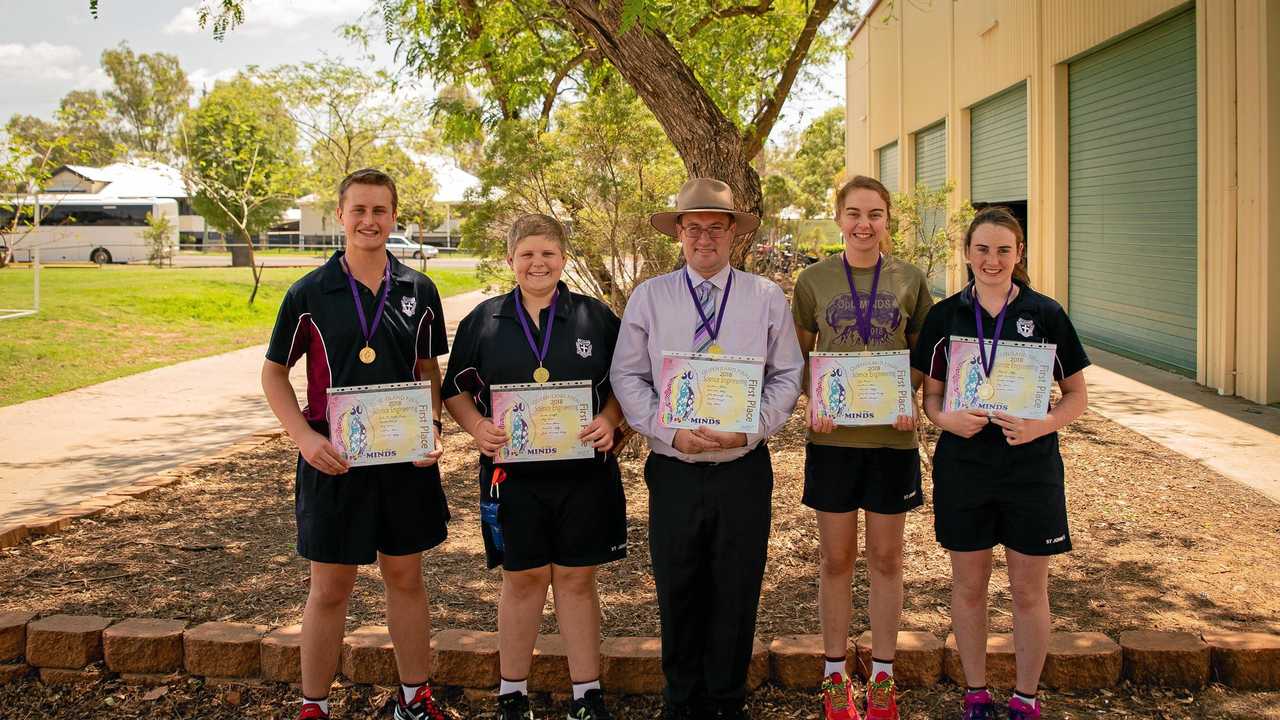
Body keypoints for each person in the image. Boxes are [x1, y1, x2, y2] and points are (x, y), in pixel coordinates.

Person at [610, 178, 804, 720]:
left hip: (742, 467)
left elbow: (788, 373)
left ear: (732, 236)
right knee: (678, 583)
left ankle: (725, 699)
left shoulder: (765, 297)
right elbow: (625, 376)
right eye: (693, 227)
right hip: (672, 469)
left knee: (737, 584)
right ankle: (681, 699)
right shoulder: (650, 296)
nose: (704, 237)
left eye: (715, 228)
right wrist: (667, 431)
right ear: (678, 232)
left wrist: (751, 429)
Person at [261, 168, 451, 720]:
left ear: (395, 217)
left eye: (380, 211)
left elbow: (426, 370)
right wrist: (302, 436)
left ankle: (414, 700)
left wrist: (432, 427)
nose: (369, 221)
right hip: (335, 458)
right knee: (330, 587)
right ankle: (313, 706)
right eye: (359, 211)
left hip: (403, 460)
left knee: (405, 577)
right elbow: (274, 374)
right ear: (341, 215)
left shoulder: (420, 289)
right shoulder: (308, 293)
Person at [442, 214, 626, 720]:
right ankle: (511, 693)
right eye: (526, 254)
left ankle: (587, 694)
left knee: (575, 580)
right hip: (513, 478)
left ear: (563, 258)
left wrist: (611, 421)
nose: (537, 263)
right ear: (510, 260)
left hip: (584, 476)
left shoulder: (595, 317)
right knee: (521, 580)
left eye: (547, 253)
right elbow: (455, 389)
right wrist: (477, 427)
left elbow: (627, 387)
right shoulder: (485, 319)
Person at [910, 207, 1089, 720]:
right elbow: (932, 397)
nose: (992, 260)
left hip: (1031, 471)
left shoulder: (1047, 313)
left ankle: (1026, 699)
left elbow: (1076, 394)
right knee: (969, 586)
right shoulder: (945, 316)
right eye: (982, 249)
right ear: (967, 253)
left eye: (1003, 250)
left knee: (1029, 590)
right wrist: (946, 421)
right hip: (964, 469)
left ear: (1019, 253)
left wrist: (1043, 424)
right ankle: (976, 694)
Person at [792, 176, 933, 720]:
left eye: (875, 214)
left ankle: (882, 678)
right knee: (835, 559)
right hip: (833, 440)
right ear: (838, 218)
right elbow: (799, 356)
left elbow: (923, 353)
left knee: (886, 558)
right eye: (853, 213)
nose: (864, 224)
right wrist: (814, 397)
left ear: (888, 219)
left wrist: (912, 394)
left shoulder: (910, 279)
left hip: (891, 439)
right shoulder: (813, 280)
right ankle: (833, 677)